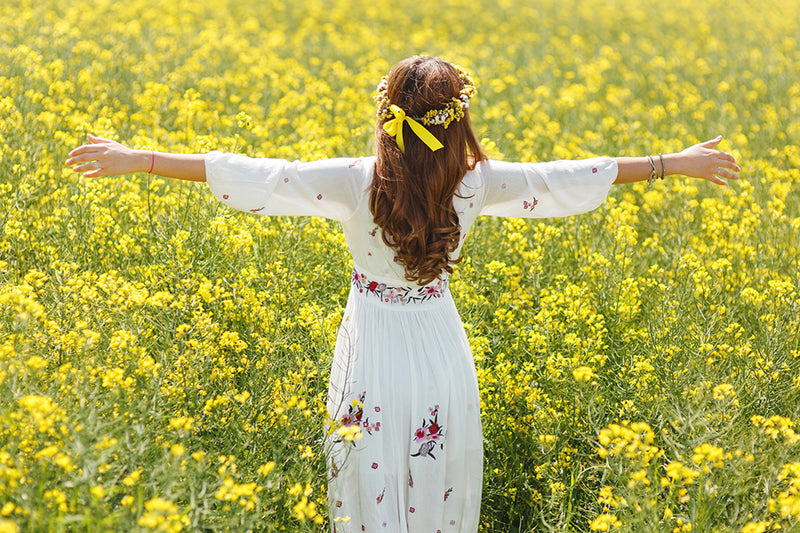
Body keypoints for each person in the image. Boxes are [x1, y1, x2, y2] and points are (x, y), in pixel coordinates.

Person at [66, 55, 739, 532]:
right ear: (456, 123)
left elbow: (255, 174)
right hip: (439, 345)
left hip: (371, 343)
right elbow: (570, 176)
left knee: (367, 473)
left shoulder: (353, 180)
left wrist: (138, 157)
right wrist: (672, 162)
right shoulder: (476, 182)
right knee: (435, 467)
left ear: (386, 116)